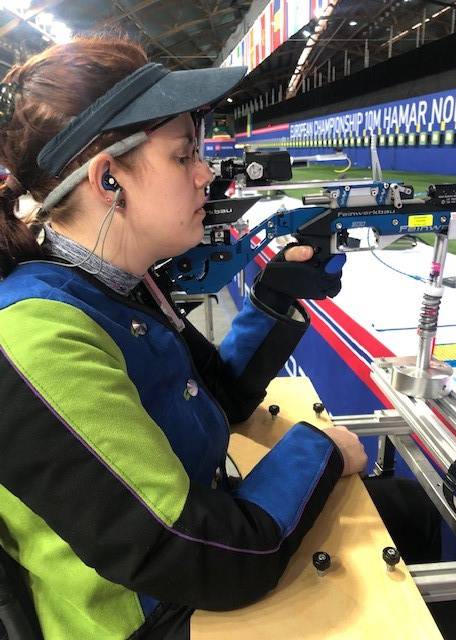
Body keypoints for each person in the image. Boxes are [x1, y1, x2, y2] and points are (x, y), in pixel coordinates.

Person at [0, 35, 368, 639]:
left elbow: (216, 399)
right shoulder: (36, 336)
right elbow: (199, 556)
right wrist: (321, 451)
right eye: (183, 156)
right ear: (108, 179)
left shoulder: (115, 284)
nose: (206, 174)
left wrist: (274, 297)